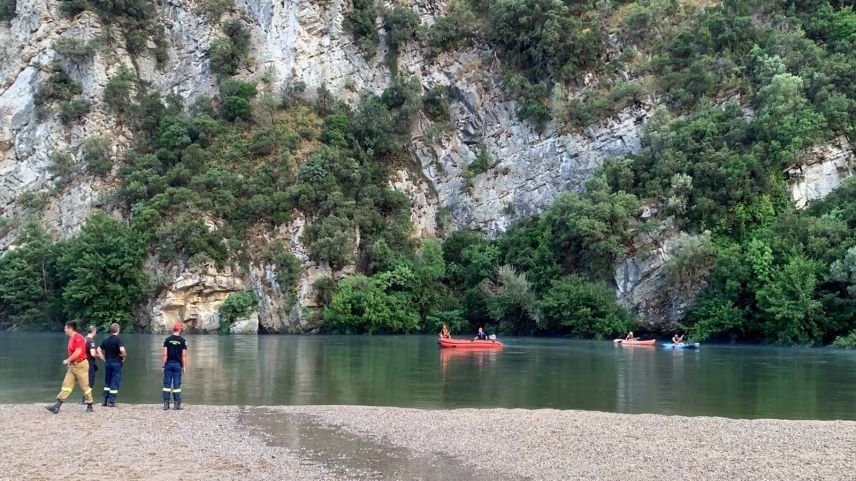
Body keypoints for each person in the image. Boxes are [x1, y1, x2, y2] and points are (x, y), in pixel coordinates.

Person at [46, 321, 94, 414]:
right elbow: (73, 353)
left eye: (65, 328)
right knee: (66, 385)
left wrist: (68, 360)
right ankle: (57, 406)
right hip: (73, 366)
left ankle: (90, 405)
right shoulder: (71, 338)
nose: (64, 329)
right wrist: (70, 362)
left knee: (85, 387)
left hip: (81, 365)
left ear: (70, 328)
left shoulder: (78, 338)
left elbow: (78, 352)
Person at [97, 323, 126, 407]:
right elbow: (122, 350)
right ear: (118, 330)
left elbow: (98, 349)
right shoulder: (118, 340)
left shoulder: (106, 339)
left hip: (108, 363)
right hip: (116, 363)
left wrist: (102, 357)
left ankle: (105, 400)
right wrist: (124, 356)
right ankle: (111, 401)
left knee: (107, 382)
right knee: (115, 381)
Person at [162, 321, 188, 410]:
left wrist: (163, 365)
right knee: (177, 384)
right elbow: (184, 355)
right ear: (180, 329)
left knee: (166, 384)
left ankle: (166, 404)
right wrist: (184, 366)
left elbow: (165, 354)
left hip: (168, 365)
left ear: (173, 328)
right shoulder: (183, 341)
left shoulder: (167, 340)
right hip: (178, 365)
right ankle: (177, 404)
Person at [81, 326, 99, 404]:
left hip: (82, 363)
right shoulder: (91, 341)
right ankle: (86, 399)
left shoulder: (83, 340)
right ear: (94, 331)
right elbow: (92, 354)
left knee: (85, 381)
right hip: (90, 364)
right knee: (90, 381)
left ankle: (84, 398)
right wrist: (99, 356)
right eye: (96, 331)